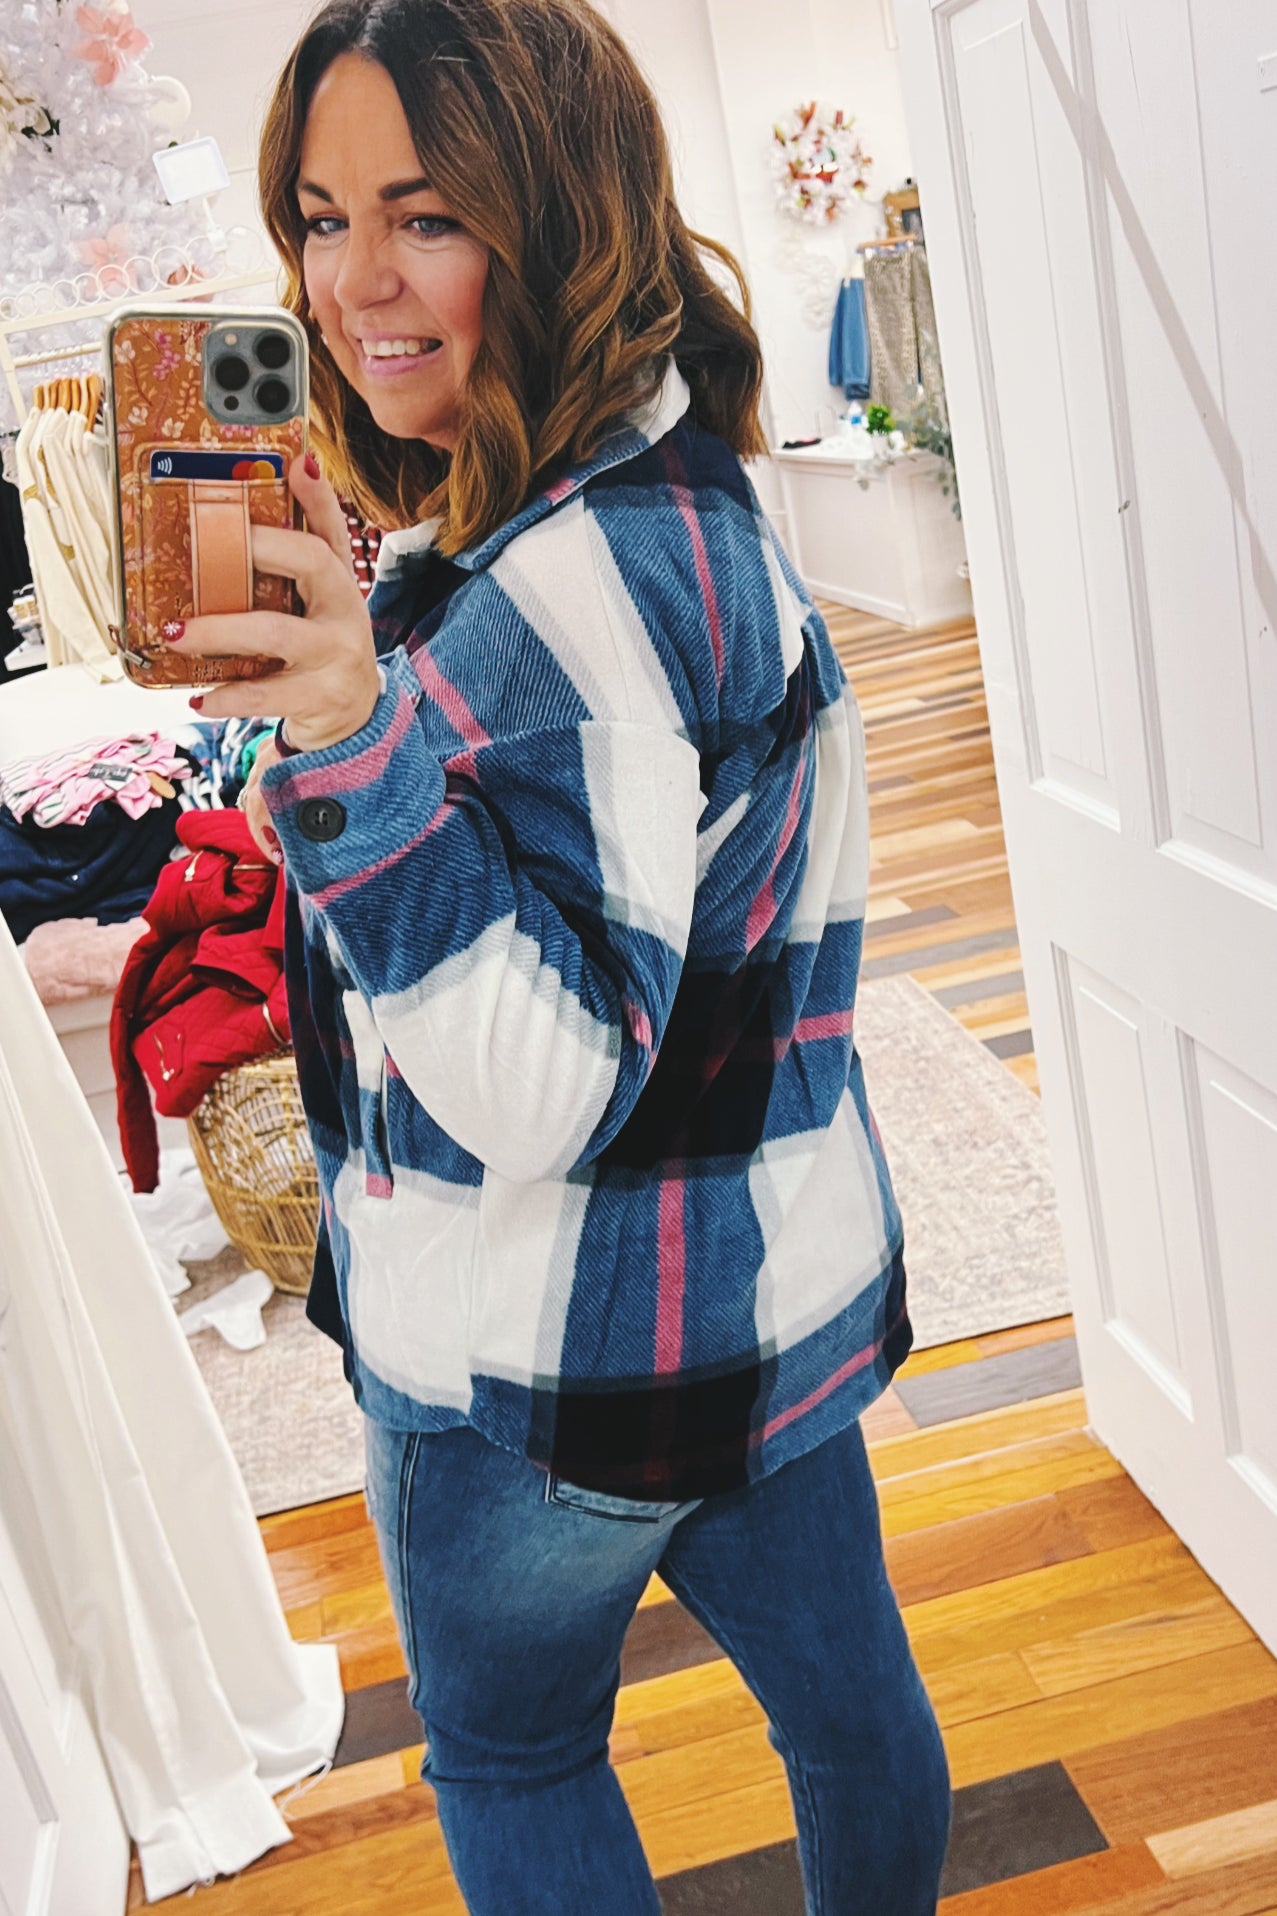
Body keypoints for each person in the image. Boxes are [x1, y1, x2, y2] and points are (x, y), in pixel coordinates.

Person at [166, 1, 952, 1908]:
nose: (351, 283)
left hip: (537, 1367)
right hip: (759, 1294)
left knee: (518, 1758)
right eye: (321, 215)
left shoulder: (566, 587)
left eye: (425, 214)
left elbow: (537, 1092)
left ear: (560, 214)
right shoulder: (674, 488)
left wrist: (346, 745)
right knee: (852, 1715)